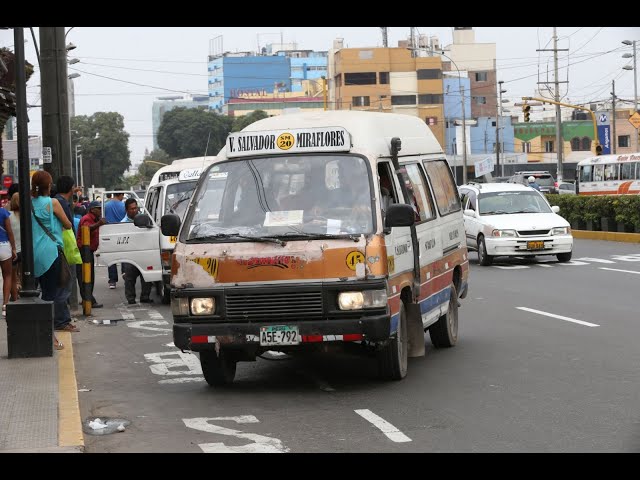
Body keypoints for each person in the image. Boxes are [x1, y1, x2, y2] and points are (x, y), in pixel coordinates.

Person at [31, 171, 74, 350]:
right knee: (50, 295)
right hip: (51, 252)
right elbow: (68, 224)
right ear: (49, 186)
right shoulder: (52, 203)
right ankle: (49, 337)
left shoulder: (29, 203)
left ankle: (37, 332)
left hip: (32, 254)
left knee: (35, 294)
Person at [120, 198, 153, 305]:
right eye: (131, 209)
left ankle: (145, 296)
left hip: (144, 252)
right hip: (130, 254)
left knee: (147, 276)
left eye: (136, 208)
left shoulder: (145, 219)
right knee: (129, 278)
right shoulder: (123, 224)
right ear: (126, 210)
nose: (134, 211)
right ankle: (130, 298)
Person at [54, 175, 77, 323]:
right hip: (64, 248)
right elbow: (67, 225)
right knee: (65, 285)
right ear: (71, 188)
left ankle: (63, 318)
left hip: (58, 247)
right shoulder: (60, 203)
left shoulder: (58, 201)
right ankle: (61, 321)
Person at [76, 200, 107, 308]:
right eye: (98, 209)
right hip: (84, 250)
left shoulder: (94, 218)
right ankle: (88, 300)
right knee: (86, 276)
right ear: (92, 210)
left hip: (89, 250)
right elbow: (87, 229)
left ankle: (87, 298)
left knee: (88, 275)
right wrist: (99, 224)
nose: (100, 211)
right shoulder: (87, 218)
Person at [104, 192, 125, 289]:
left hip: (109, 233)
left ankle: (112, 281)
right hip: (122, 232)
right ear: (121, 195)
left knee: (111, 258)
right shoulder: (123, 205)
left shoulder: (106, 205)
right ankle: (125, 274)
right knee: (125, 255)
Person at [0, 193, 17, 315]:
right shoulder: (3, 212)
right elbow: (10, 232)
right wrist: (14, 248)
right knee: (7, 275)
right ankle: (5, 305)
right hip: (4, 245)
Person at [8, 193, 21, 302]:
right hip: (25, 251)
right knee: (24, 276)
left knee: (12, 277)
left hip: (13, 250)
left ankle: (15, 297)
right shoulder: (28, 215)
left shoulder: (8, 215)